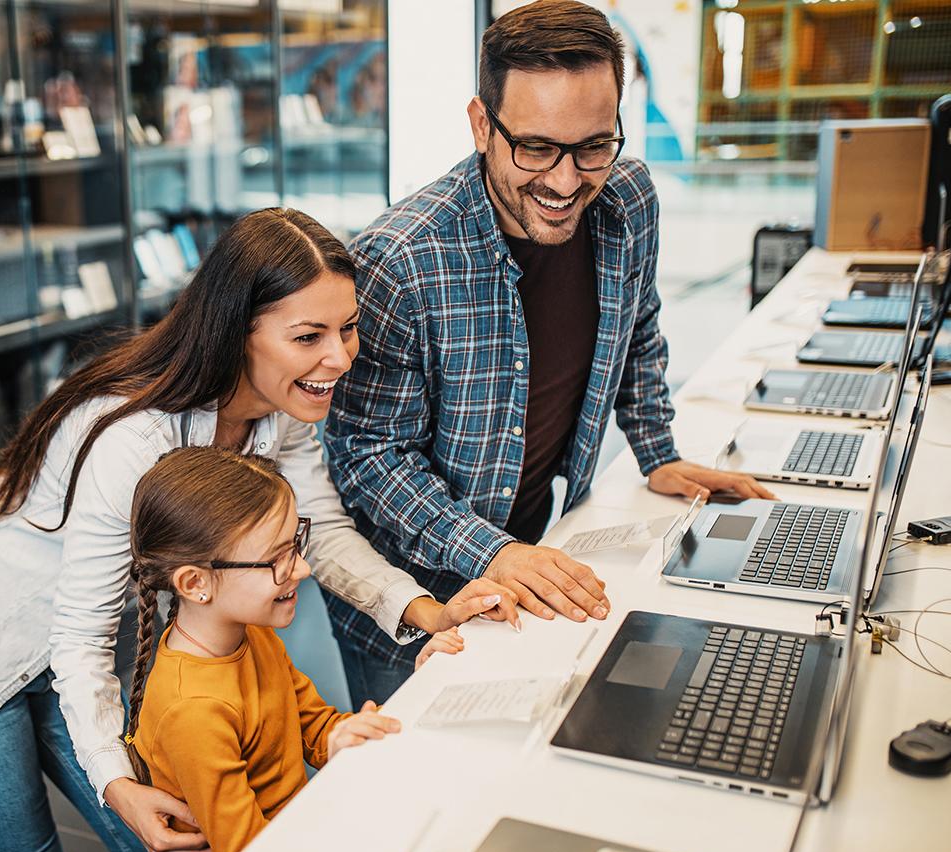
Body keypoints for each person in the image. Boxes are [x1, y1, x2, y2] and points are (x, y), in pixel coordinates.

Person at [0, 207, 516, 852]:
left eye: (347, 327)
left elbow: (325, 532)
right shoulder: (132, 436)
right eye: (308, 336)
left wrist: (424, 611)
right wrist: (119, 784)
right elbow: (79, 640)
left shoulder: (281, 409)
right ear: (235, 329)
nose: (339, 357)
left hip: (74, 644)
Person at [323, 0, 775, 708]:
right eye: (535, 148)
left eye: (593, 146)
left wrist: (657, 451)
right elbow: (369, 457)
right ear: (482, 125)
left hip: (531, 546)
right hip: (410, 597)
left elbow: (638, 324)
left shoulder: (629, 200)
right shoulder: (399, 259)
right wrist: (492, 551)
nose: (566, 183)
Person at [123, 447, 489, 852]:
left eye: (296, 544)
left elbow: (312, 724)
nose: (302, 569)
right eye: (276, 559)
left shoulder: (250, 632)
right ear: (196, 584)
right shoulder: (194, 710)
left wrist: (343, 735)